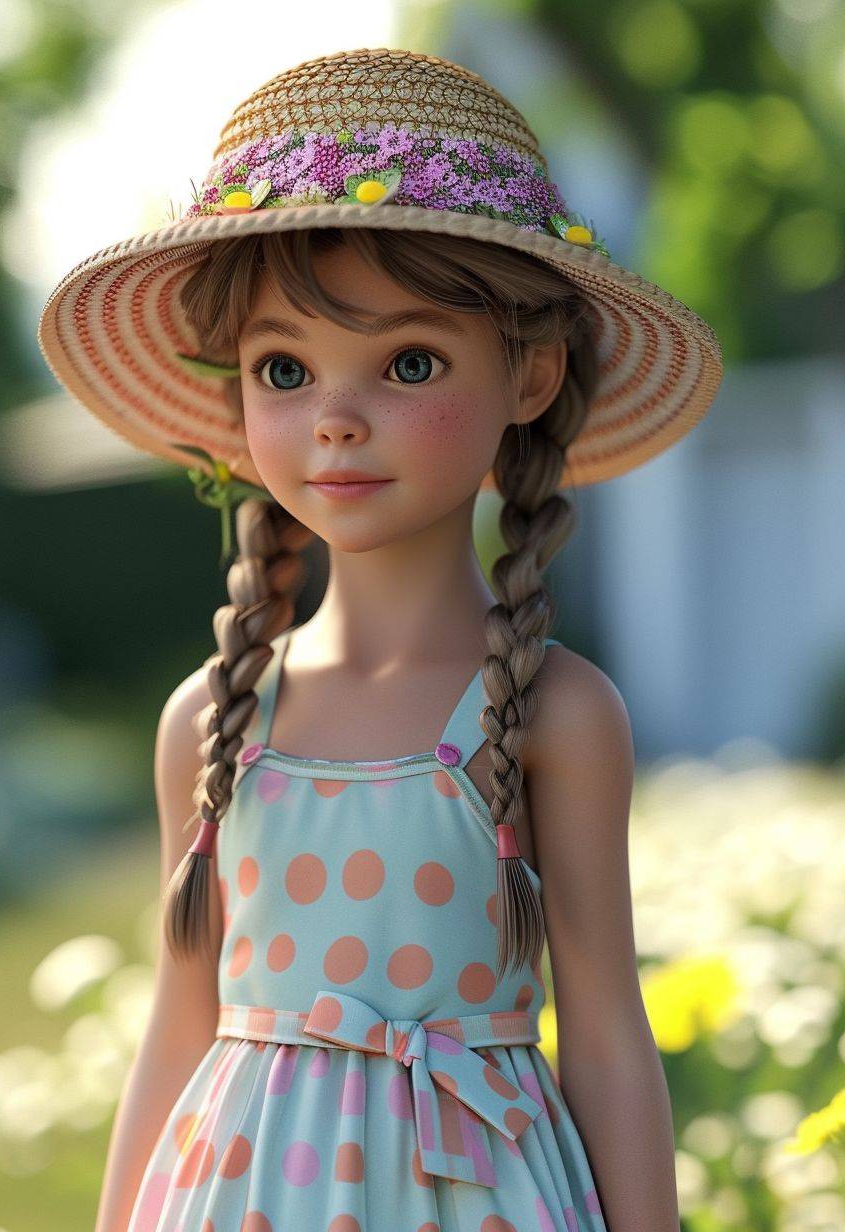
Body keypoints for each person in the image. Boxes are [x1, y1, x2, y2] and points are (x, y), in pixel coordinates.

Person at [38, 47, 723, 1232]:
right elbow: (178, 1025)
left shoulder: (556, 713)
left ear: (531, 372)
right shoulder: (213, 719)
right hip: (235, 1198)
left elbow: (608, 1038)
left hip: (481, 1199)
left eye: (409, 362)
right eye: (283, 369)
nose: (335, 419)